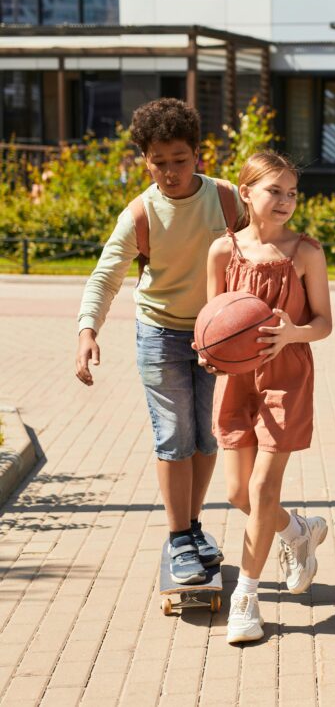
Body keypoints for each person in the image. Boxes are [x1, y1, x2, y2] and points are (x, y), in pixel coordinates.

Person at [75, 98, 241, 585]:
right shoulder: (140, 213)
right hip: (160, 332)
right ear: (145, 160)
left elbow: (260, 251)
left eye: (180, 160)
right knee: (174, 436)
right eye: (159, 162)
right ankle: (177, 539)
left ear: (198, 156)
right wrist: (88, 330)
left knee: (206, 437)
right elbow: (106, 277)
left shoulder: (229, 201)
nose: (170, 172)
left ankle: (192, 527)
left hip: (216, 336)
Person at [200, 151, 332, 645]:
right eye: (274, 190)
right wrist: (208, 353)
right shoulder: (222, 251)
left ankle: (246, 598)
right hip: (236, 382)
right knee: (239, 493)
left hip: (286, 378)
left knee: (260, 490)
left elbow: (323, 323)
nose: (284, 201)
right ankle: (298, 529)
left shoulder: (306, 253)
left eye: (292, 192)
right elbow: (211, 319)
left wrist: (292, 333)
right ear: (246, 192)